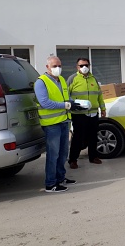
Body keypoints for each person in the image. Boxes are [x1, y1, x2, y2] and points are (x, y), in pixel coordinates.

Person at [34, 56, 78, 192]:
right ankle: (50, 184)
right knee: (53, 155)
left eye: (59, 65)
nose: (57, 68)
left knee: (63, 153)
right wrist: (66, 105)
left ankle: (60, 178)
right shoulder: (41, 82)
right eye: (54, 66)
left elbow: (66, 98)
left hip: (64, 121)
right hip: (52, 124)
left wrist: (75, 103)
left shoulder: (62, 80)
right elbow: (45, 102)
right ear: (47, 67)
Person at [66, 58, 106, 169]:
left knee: (93, 136)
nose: (84, 67)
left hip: (93, 113)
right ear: (77, 67)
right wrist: (71, 104)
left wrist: (103, 108)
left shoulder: (94, 78)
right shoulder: (72, 79)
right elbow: (66, 94)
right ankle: (73, 159)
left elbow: (99, 95)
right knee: (78, 137)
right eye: (81, 65)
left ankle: (93, 157)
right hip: (79, 113)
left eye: (86, 65)